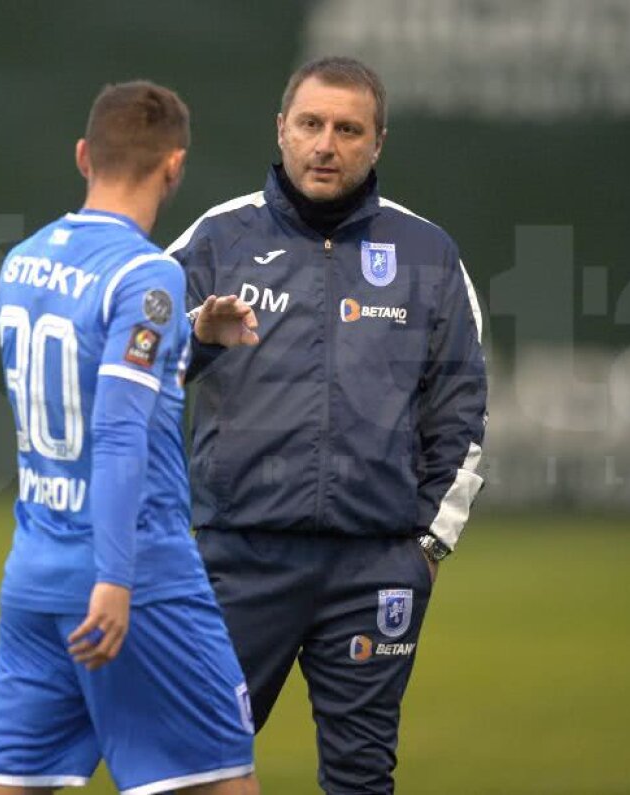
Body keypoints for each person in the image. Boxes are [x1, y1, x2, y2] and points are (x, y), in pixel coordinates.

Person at [168, 57, 488, 793]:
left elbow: (463, 409)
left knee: (361, 777)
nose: (326, 143)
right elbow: (133, 362)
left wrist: (428, 546)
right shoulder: (216, 239)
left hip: (374, 570)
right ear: (281, 129)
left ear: (378, 144)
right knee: (192, 765)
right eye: (311, 124)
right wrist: (194, 336)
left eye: (349, 129)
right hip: (239, 559)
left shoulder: (428, 253)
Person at [0, 81, 260, 795]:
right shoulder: (148, 274)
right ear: (174, 167)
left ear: (82, 155)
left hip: (35, 576)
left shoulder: (23, 262)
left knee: (5, 786)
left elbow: (98, 382)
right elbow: (119, 428)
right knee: (225, 782)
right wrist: (117, 578)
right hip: (134, 580)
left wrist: (192, 340)